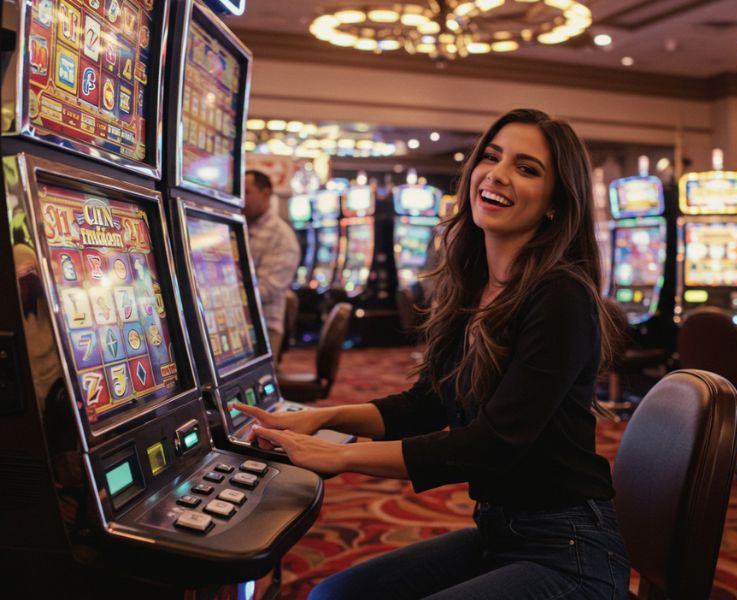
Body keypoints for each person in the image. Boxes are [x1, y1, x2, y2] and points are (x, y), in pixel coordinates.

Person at [233, 109, 630, 599]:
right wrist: (320, 419)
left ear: (554, 203)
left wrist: (341, 456)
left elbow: (493, 445)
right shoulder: (475, 285)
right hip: (499, 533)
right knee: (333, 596)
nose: (498, 174)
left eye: (527, 169)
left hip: (569, 550)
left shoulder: (560, 295)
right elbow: (426, 404)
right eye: (492, 156)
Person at [244, 169, 301, 360]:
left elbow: (268, 290)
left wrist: (222, 298)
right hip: (236, 323)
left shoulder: (281, 236)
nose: (241, 198)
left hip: (264, 327)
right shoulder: (238, 226)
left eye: (246, 192)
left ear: (265, 193)